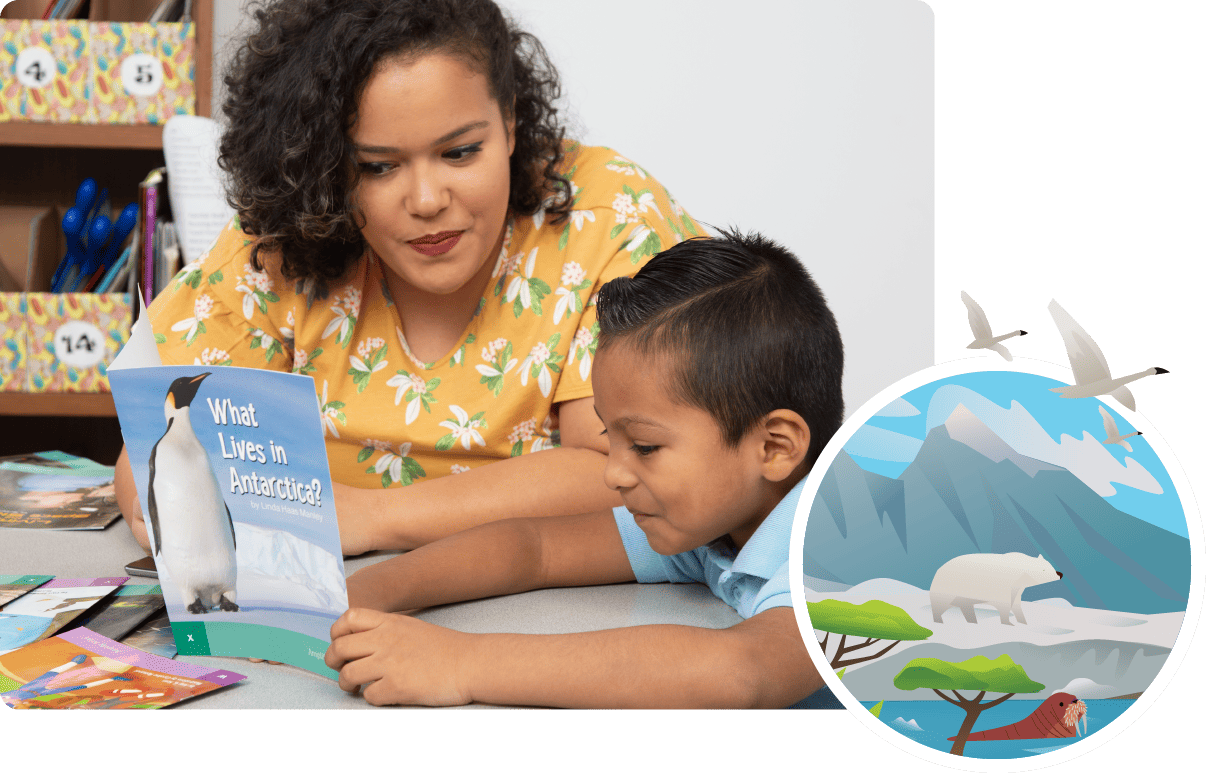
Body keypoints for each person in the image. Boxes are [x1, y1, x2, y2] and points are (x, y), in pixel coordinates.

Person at [114, 0, 699, 555]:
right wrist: (152, 483)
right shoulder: (281, 238)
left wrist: (373, 518)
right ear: (323, 163)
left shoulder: (611, 221)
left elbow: (620, 471)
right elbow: (165, 425)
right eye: (377, 166)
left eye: (461, 152)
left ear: (512, 124)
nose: (426, 200)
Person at [324, 229, 845, 708]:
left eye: (643, 446)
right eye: (608, 437)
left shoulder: (846, 550)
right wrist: (365, 593)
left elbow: (741, 671)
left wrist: (460, 662)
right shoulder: (716, 520)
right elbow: (535, 550)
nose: (613, 475)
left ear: (775, 448)